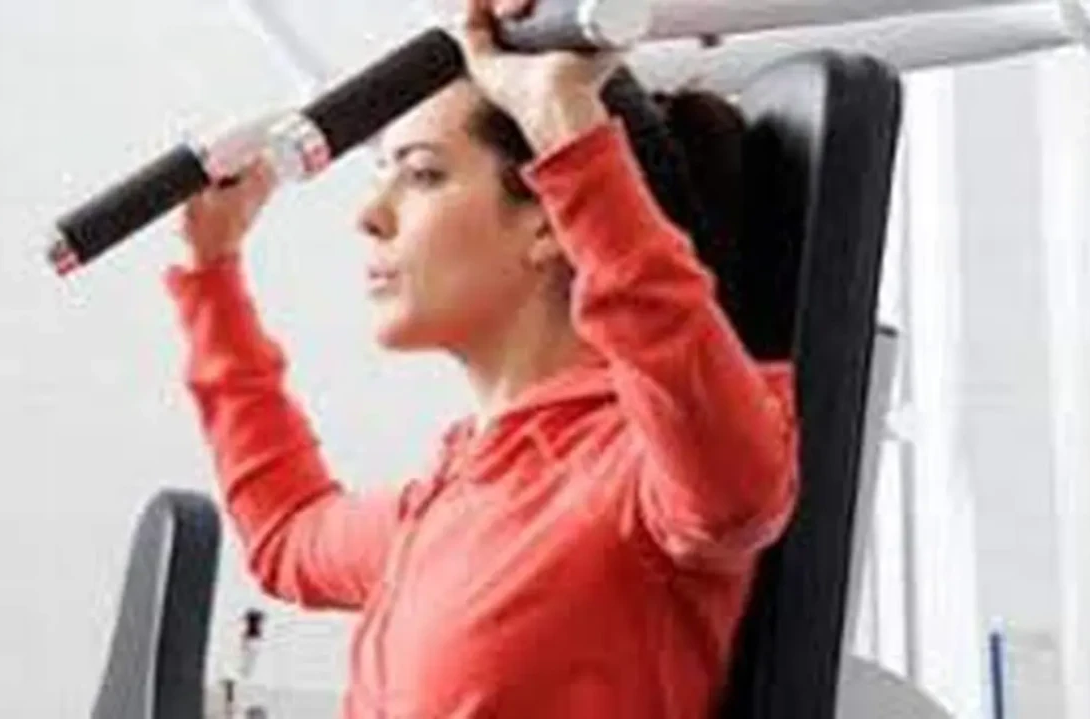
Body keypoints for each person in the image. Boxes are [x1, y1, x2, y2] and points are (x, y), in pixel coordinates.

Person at [163, 1, 799, 715]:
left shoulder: (642, 475)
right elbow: (289, 533)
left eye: (423, 175)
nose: (370, 215)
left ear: (549, 220)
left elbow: (732, 472)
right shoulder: (451, 502)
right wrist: (213, 271)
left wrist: (562, 117)